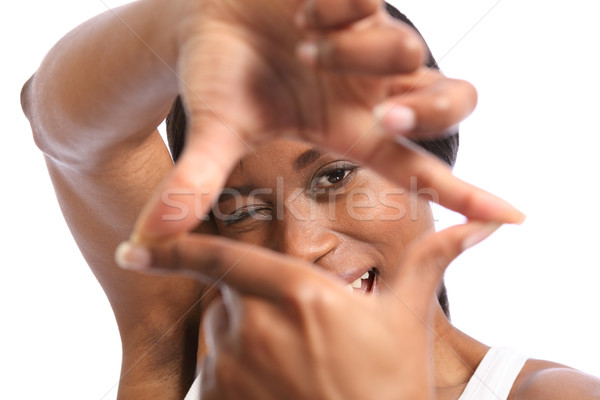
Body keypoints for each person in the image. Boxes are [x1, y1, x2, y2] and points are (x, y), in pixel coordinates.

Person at [20, 0, 600, 399]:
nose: (299, 246)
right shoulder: (184, 337)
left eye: (335, 175)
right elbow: (62, 124)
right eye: (242, 209)